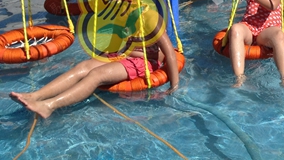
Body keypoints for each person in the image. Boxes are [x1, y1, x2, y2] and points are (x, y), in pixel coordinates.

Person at [10, 30, 179, 119]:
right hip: (123, 56)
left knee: (96, 75)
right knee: (82, 67)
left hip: (143, 62)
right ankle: (35, 96)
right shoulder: (124, 19)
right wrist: (99, 58)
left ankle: (49, 106)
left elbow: (170, 54)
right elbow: (115, 45)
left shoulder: (152, 22)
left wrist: (174, 86)